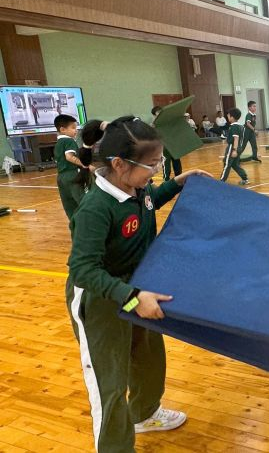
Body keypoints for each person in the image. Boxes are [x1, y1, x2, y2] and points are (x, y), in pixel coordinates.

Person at [66, 116, 210, 452]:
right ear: (118, 164)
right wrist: (131, 297)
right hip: (101, 302)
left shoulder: (137, 188)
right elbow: (83, 270)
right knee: (110, 384)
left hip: (137, 289)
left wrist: (176, 183)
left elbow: (147, 206)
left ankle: (144, 414)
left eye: (159, 162)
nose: (156, 171)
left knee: (148, 359)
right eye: (150, 165)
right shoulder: (96, 208)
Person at [53, 114, 87, 220]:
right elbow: (69, 157)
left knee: (69, 206)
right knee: (84, 202)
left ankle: (75, 229)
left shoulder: (58, 143)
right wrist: (85, 164)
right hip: (72, 175)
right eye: (73, 128)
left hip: (61, 178)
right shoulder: (69, 141)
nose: (76, 131)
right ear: (62, 129)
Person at [151, 106, 183, 181]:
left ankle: (180, 178)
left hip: (173, 145)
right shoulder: (154, 124)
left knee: (177, 162)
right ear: (155, 115)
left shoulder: (169, 121)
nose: (159, 114)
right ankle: (166, 180)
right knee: (166, 164)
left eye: (160, 112)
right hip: (164, 147)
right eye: (157, 113)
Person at [220, 108, 249, 185]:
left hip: (232, 147)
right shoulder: (241, 126)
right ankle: (244, 178)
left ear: (232, 117)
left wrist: (234, 150)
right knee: (235, 164)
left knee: (227, 164)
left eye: (228, 115)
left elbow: (236, 138)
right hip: (239, 147)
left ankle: (221, 181)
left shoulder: (234, 126)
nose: (227, 116)